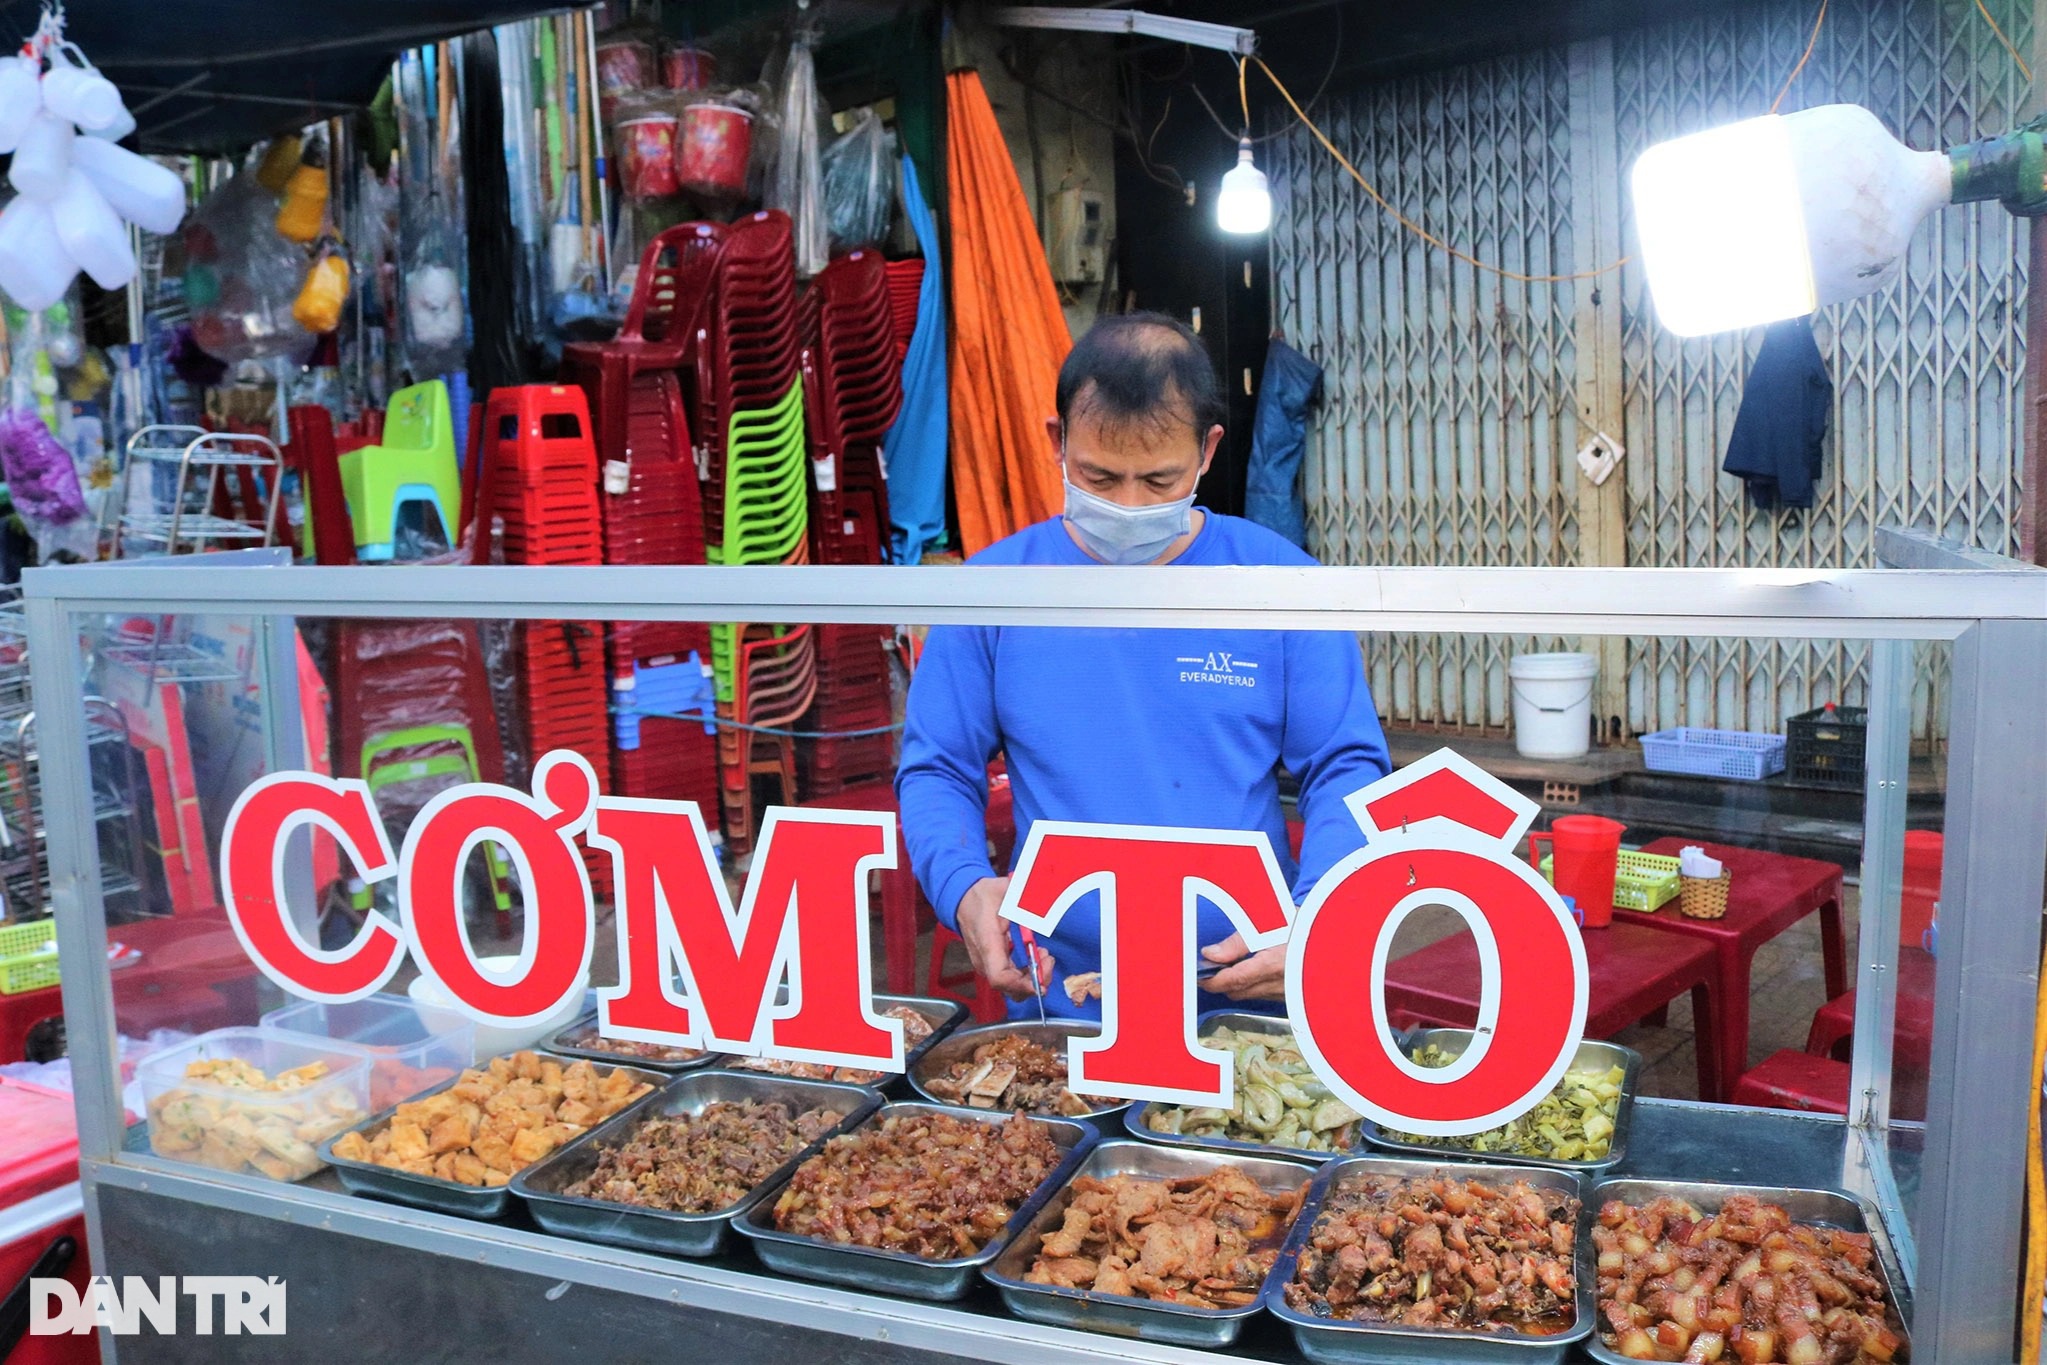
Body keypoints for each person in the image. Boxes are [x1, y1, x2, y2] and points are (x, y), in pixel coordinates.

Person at [895, 313, 1391, 1017]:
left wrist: (1323, 910)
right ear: (1056, 442)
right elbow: (937, 767)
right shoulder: (994, 590)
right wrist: (963, 882)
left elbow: (1345, 766)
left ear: (1208, 450)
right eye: (1098, 476)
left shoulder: (1277, 583)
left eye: (1158, 480)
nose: (1127, 506)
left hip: (1247, 997)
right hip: (1064, 1004)